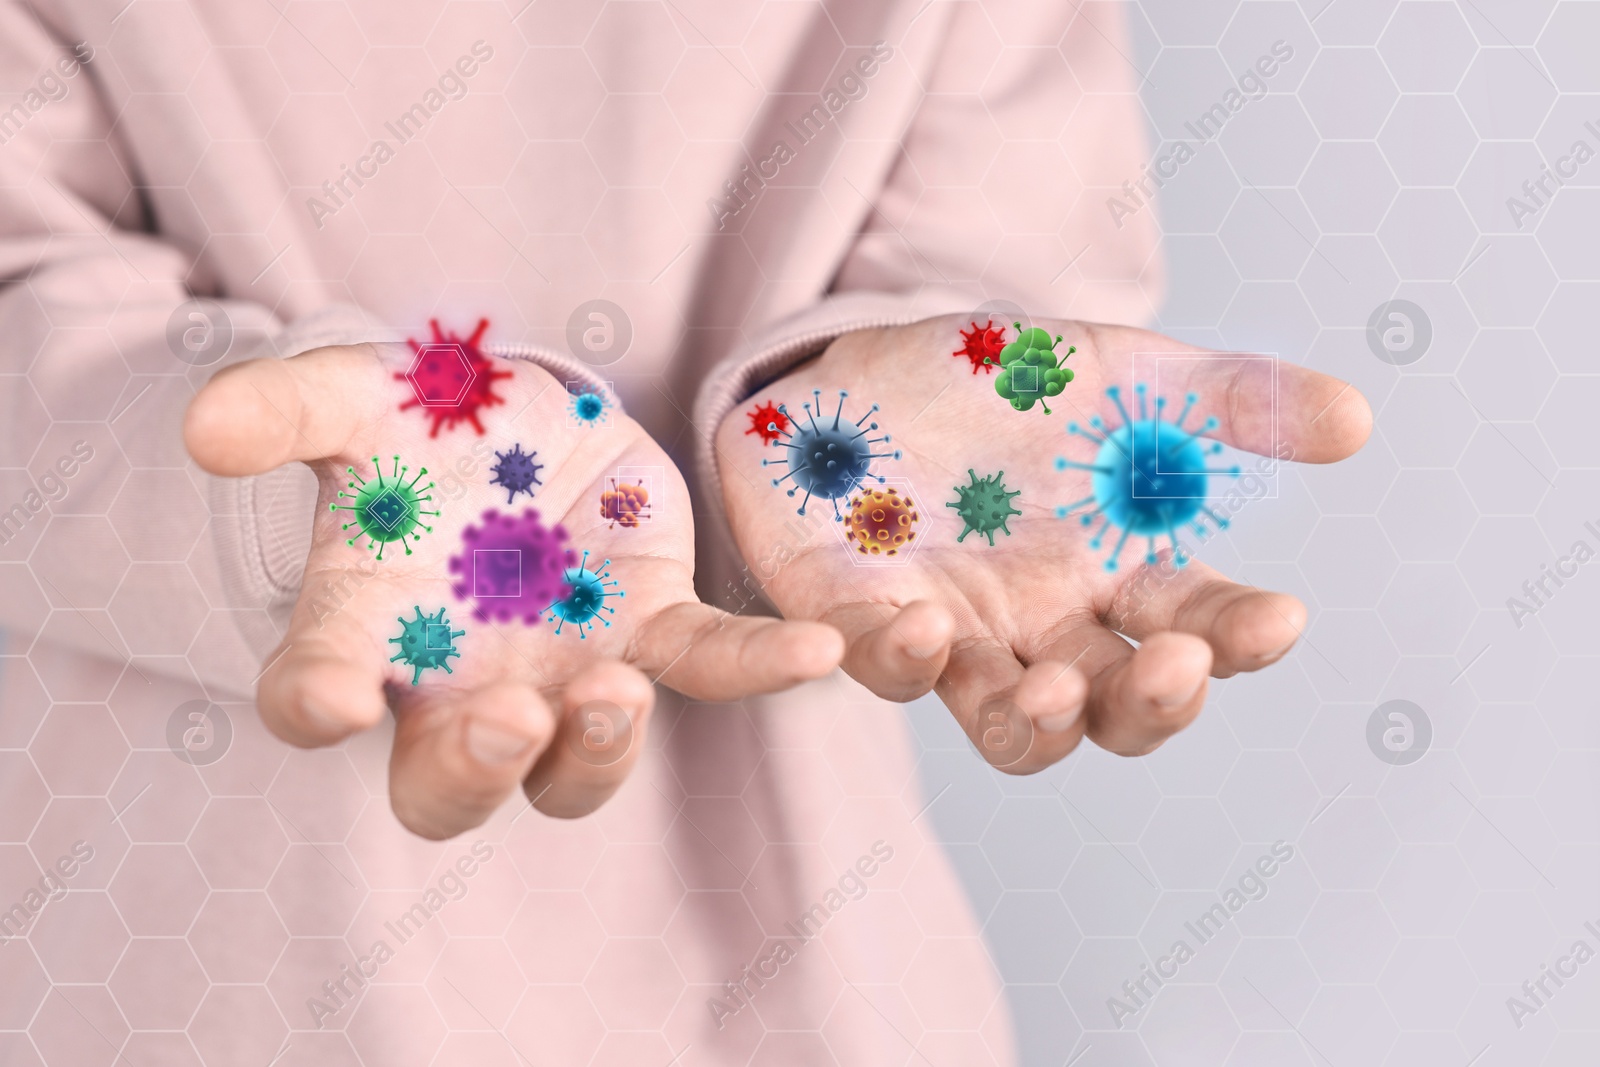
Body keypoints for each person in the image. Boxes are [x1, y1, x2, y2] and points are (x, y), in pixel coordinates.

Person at [0, 2, 1370, 1063]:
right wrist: (303, 486)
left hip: (799, 976)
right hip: (182, 969)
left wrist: (848, 425)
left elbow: (1005, 295)